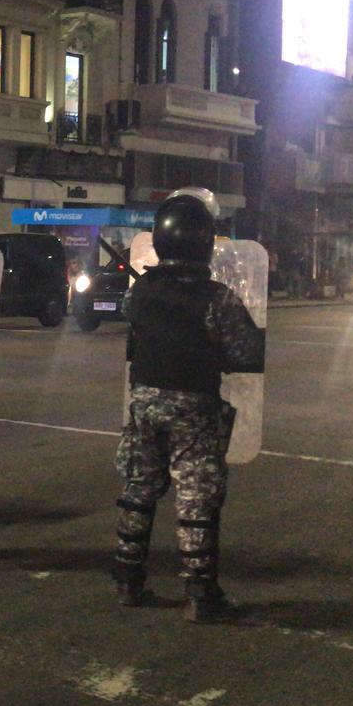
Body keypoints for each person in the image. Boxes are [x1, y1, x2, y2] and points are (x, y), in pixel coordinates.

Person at [112, 193, 265, 623]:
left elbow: (134, 320)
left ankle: (127, 579)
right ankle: (200, 593)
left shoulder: (141, 291)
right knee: (196, 500)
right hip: (193, 406)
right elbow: (245, 349)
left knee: (138, 490)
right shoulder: (217, 298)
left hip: (143, 403)